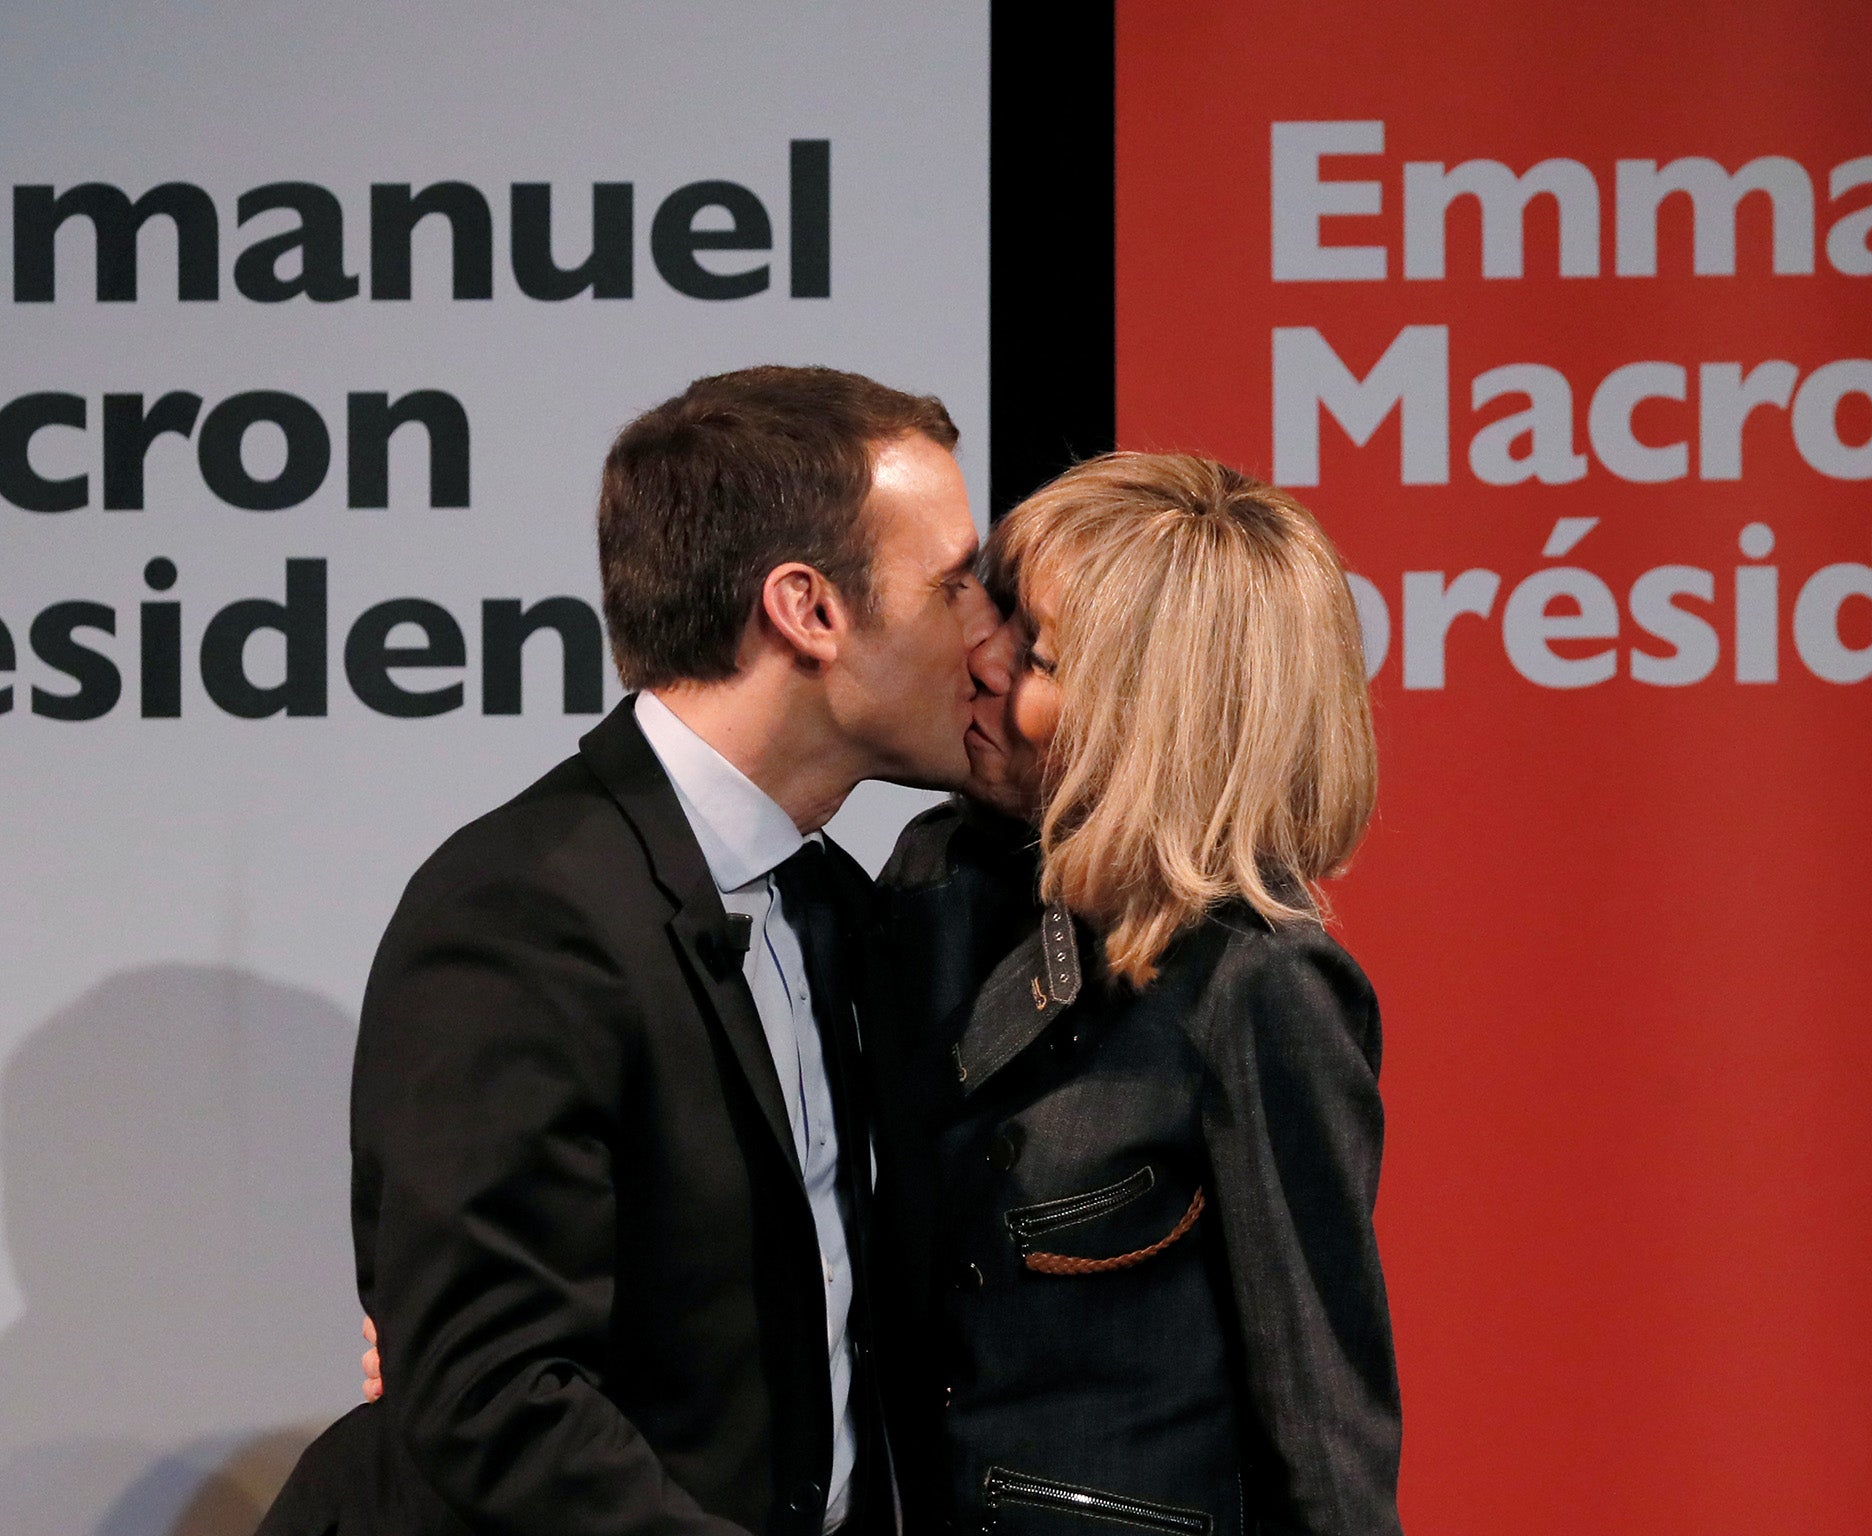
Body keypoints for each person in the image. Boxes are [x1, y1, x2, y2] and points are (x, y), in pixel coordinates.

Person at [264, 364, 1000, 1536]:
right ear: (807, 609)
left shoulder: (841, 906)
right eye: (955, 584)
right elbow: (491, 1395)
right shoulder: (519, 915)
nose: (986, 633)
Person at [870, 452, 1402, 1536]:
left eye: (1038, 657)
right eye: (1002, 615)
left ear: (1150, 722)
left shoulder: (1257, 984)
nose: (978, 658)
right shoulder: (931, 880)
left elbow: (1320, 1421)